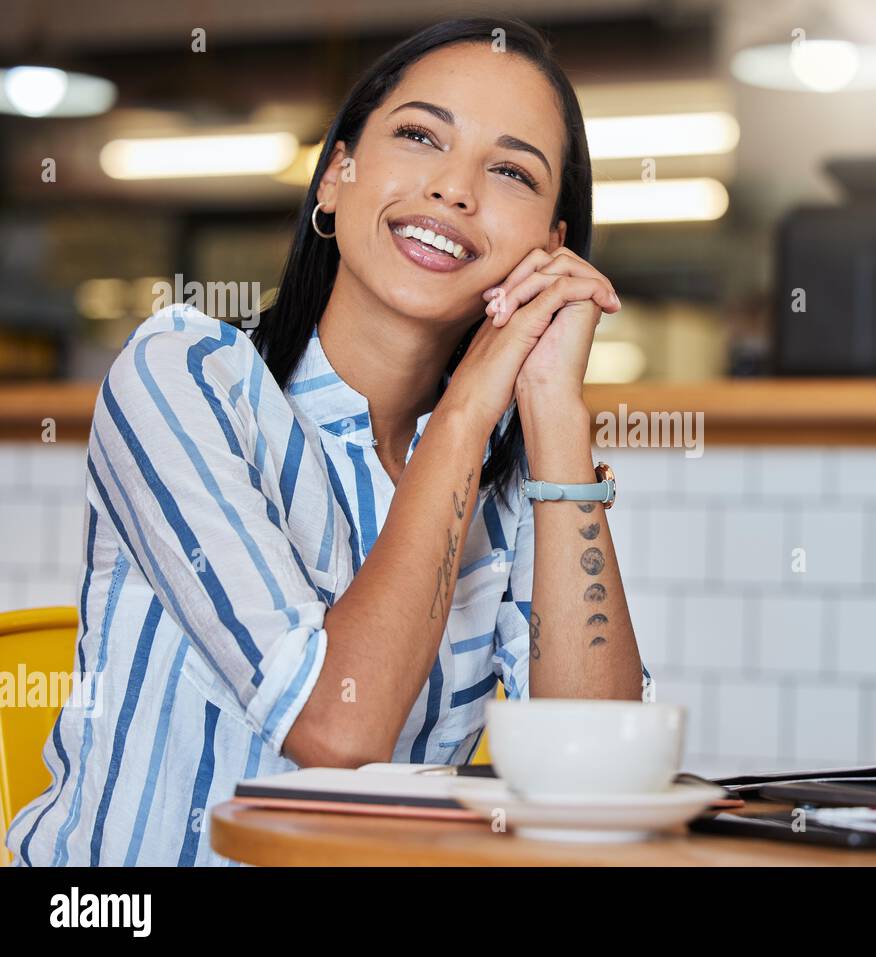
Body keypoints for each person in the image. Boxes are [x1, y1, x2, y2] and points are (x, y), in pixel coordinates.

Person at [8, 16, 651, 867]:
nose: (456, 190)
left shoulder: (519, 471)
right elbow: (337, 730)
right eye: (420, 135)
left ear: (549, 249)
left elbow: (604, 780)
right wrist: (462, 415)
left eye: (510, 171)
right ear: (336, 178)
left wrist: (557, 413)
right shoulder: (182, 377)